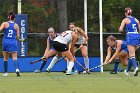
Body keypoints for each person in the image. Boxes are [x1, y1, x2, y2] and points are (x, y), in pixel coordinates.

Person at [119, 7, 140, 76]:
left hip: (130, 36)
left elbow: (120, 29)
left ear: (125, 13)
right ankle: (127, 71)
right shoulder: (136, 20)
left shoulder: (125, 19)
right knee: (131, 54)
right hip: (137, 36)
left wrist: (124, 31)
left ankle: (136, 67)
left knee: (131, 55)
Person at [0, 12, 20, 76]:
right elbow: (18, 36)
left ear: (9, 17)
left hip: (5, 42)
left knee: (5, 58)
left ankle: (5, 73)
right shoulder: (16, 25)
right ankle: (17, 69)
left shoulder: (4, 23)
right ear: (14, 18)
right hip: (13, 42)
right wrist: (15, 38)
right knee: (15, 57)